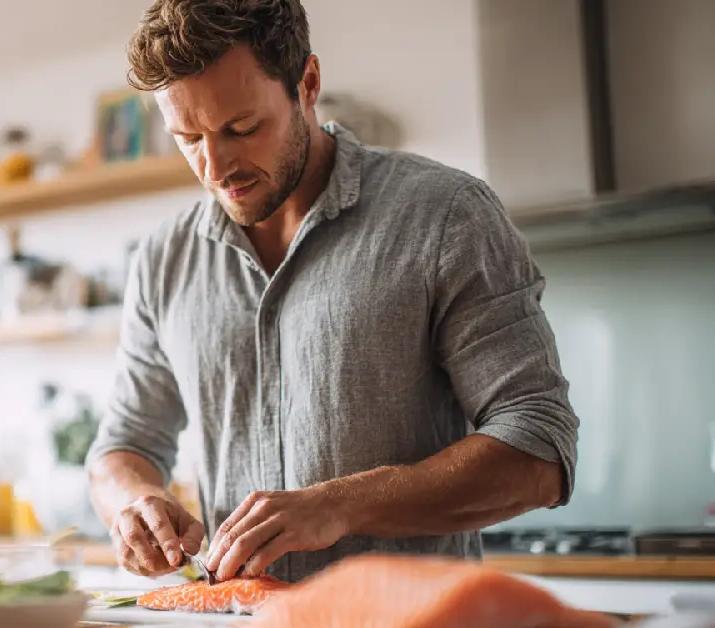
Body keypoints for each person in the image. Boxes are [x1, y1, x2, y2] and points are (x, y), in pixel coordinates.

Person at [86, 0, 580, 584]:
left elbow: (539, 447)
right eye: (188, 137)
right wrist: (133, 503)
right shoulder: (164, 260)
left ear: (308, 83)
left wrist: (341, 505)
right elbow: (123, 447)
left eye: (242, 129)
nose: (215, 167)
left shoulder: (446, 216)